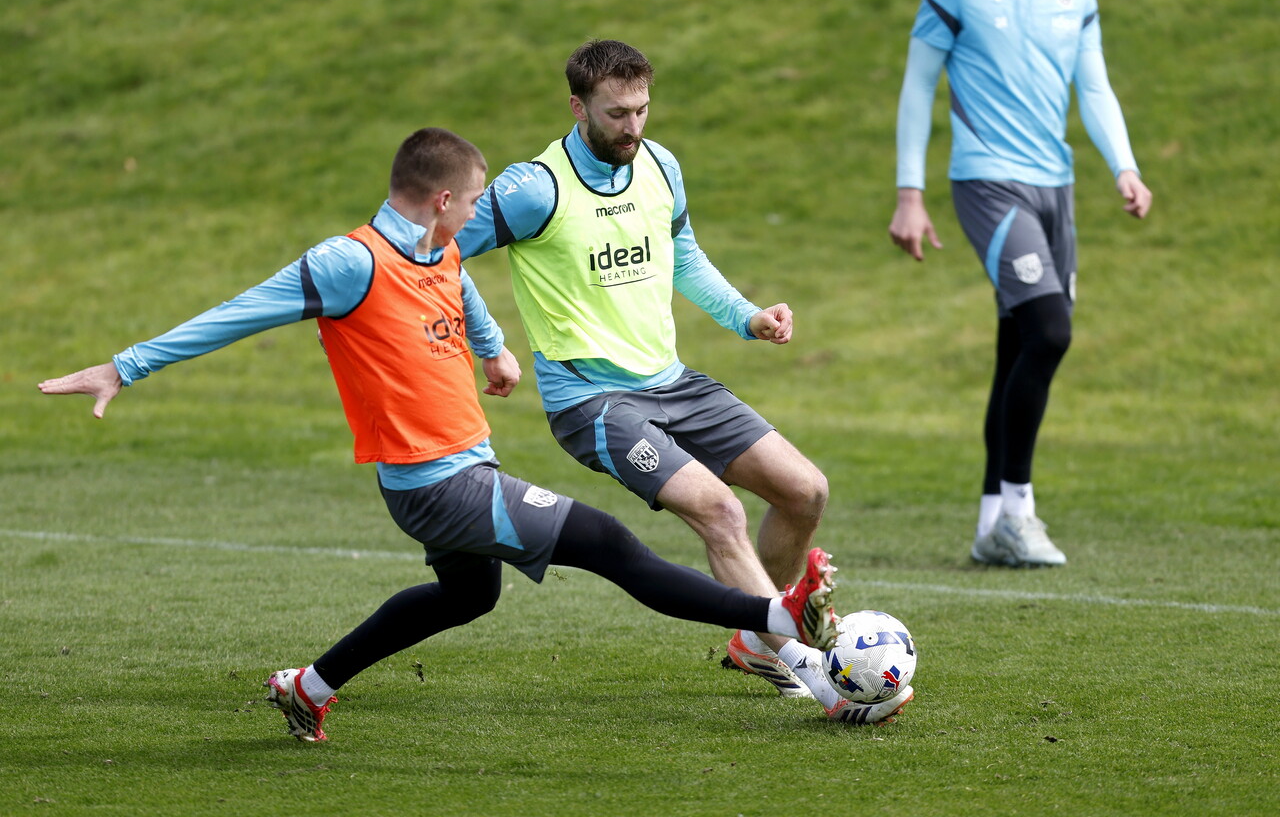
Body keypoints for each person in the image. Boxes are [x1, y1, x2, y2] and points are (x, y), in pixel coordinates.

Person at [38, 127, 883, 741]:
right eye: (475, 201)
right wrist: (125, 367)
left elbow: (456, 285)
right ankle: (776, 615)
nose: (481, 216)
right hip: (435, 482)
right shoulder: (350, 263)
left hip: (462, 465)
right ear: (444, 200)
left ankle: (309, 685)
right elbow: (238, 313)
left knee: (467, 595)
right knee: (606, 542)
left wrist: (494, 349)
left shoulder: (437, 247)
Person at [454, 39, 850, 712]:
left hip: (673, 383)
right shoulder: (535, 189)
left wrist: (746, 316)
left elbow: (683, 255)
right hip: (592, 401)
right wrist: (489, 344)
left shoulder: (661, 164)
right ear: (578, 107)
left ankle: (758, 640)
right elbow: (436, 252)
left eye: (641, 110)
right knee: (720, 511)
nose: (632, 127)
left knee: (805, 490)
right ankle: (808, 667)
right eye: (616, 114)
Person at [888, 0, 1154, 567]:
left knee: (1019, 344)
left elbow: (1094, 89)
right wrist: (910, 193)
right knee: (1050, 328)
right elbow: (917, 87)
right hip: (987, 182)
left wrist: (1124, 166)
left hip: (1054, 187)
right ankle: (1020, 509)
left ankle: (990, 526)